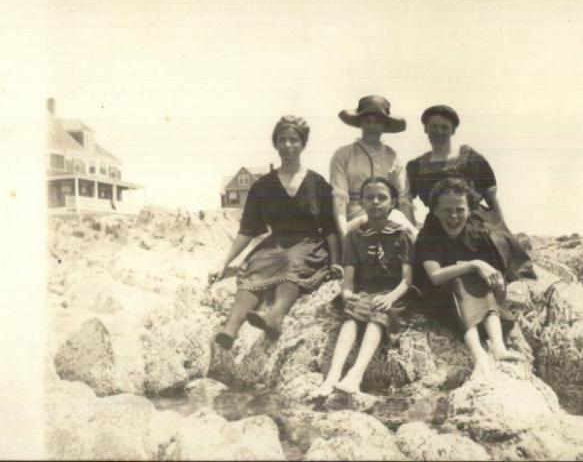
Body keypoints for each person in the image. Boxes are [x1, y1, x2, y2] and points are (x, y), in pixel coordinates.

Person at [209, 115, 342, 349]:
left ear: (303, 144)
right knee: (257, 268)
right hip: (275, 243)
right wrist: (224, 262)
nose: (288, 145)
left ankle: (274, 317)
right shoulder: (262, 186)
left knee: (293, 261)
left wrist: (337, 261)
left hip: (309, 243)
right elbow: (248, 229)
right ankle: (230, 328)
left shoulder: (317, 183)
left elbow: (329, 227)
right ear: (276, 144)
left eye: (294, 140)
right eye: (282, 140)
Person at [413, 178, 534, 378]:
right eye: (446, 210)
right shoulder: (428, 236)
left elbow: (495, 274)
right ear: (434, 210)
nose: (453, 216)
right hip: (440, 299)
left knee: (478, 280)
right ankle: (480, 356)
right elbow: (435, 277)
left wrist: (497, 284)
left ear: (470, 210)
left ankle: (498, 346)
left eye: (460, 209)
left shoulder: (477, 233)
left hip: (480, 302)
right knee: (463, 279)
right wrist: (475, 264)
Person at [314, 177, 413, 396]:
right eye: (369, 198)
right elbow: (349, 276)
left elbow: (407, 279)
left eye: (382, 197)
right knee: (351, 317)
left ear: (393, 203)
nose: (375, 202)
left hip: (392, 293)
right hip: (365, 289)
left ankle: (355, 375)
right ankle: (333, 375)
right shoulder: (354, 236)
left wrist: (391, 298)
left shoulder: (402, 234)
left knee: (378, 315)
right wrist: (348, 293)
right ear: (361, 202)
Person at [406, 105, 508, 231]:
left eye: (445, 127)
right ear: (425, 128)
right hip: (435, 230)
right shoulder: (416, 166)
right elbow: (405, 202)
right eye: (434, 127)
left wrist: (503, 231)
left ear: (453, 130)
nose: (439, 132)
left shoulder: (470, 158)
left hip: (475, 226)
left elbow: (491, 199)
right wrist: (411, 230)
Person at [330, 95, 418, 240]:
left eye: (377, 122)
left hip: (389, 219)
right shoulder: (344, 154)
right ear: (360, 123)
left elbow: (403, 200)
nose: (372, 127)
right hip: (355, 219)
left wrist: (411, 232)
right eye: (367, 121)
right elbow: (339, 198)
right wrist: (344, 236)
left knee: (402, 223)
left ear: (384, 125)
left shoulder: (393, 157)